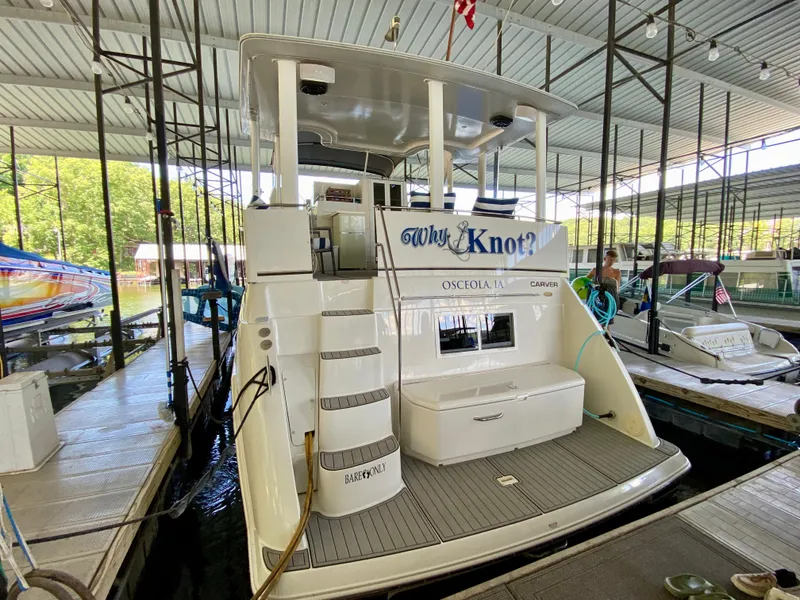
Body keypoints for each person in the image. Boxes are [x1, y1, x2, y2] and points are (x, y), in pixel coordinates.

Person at [587, 249, 621, 322]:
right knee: (595, 318)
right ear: (605, 259)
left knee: (607, 320)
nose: (612, 262)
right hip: (596, 298)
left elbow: (617, 288)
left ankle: (606, 332)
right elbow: (586, 281)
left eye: (614, 260)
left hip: (609, 298)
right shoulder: (595, 270)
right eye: (610, 259)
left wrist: (616, 299)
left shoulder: (616, 272)